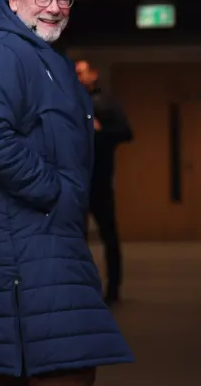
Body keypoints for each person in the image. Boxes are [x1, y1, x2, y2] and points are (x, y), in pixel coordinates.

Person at [0, 0, 134, 386]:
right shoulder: (1, 50)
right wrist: (53, 191)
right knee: (63, 367)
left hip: (42, 243)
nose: (54, 7)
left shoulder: (37, 55)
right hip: (23, 248)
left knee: (49, 365)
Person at [75, 60, 133, 305]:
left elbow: (126, 133)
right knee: (75, 239)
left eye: (81, 72)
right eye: (74, 72)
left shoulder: (107, 103)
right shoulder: (69, 101)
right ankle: (79, 289)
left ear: (94, 74)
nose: (77, 76)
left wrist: (100, 129)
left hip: (100, 181)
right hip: (75, 182)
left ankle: (113, 289)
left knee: (109, 236)